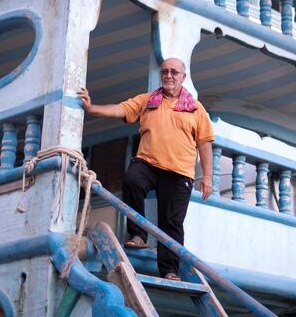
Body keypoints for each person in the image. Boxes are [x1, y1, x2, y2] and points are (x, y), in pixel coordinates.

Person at [77, 57, 214, 281]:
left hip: (179, 173)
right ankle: (138, 235)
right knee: (133, 180)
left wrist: (207, 176)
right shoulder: (148, 100)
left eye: (174, 72)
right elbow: (120, 110)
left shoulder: (196, 109)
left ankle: (169, 269)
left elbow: (205, 143)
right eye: (165, 72)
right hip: (148, 163)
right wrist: (91, 108)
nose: (168, 75)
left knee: (171, 223)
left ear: (183, 77)